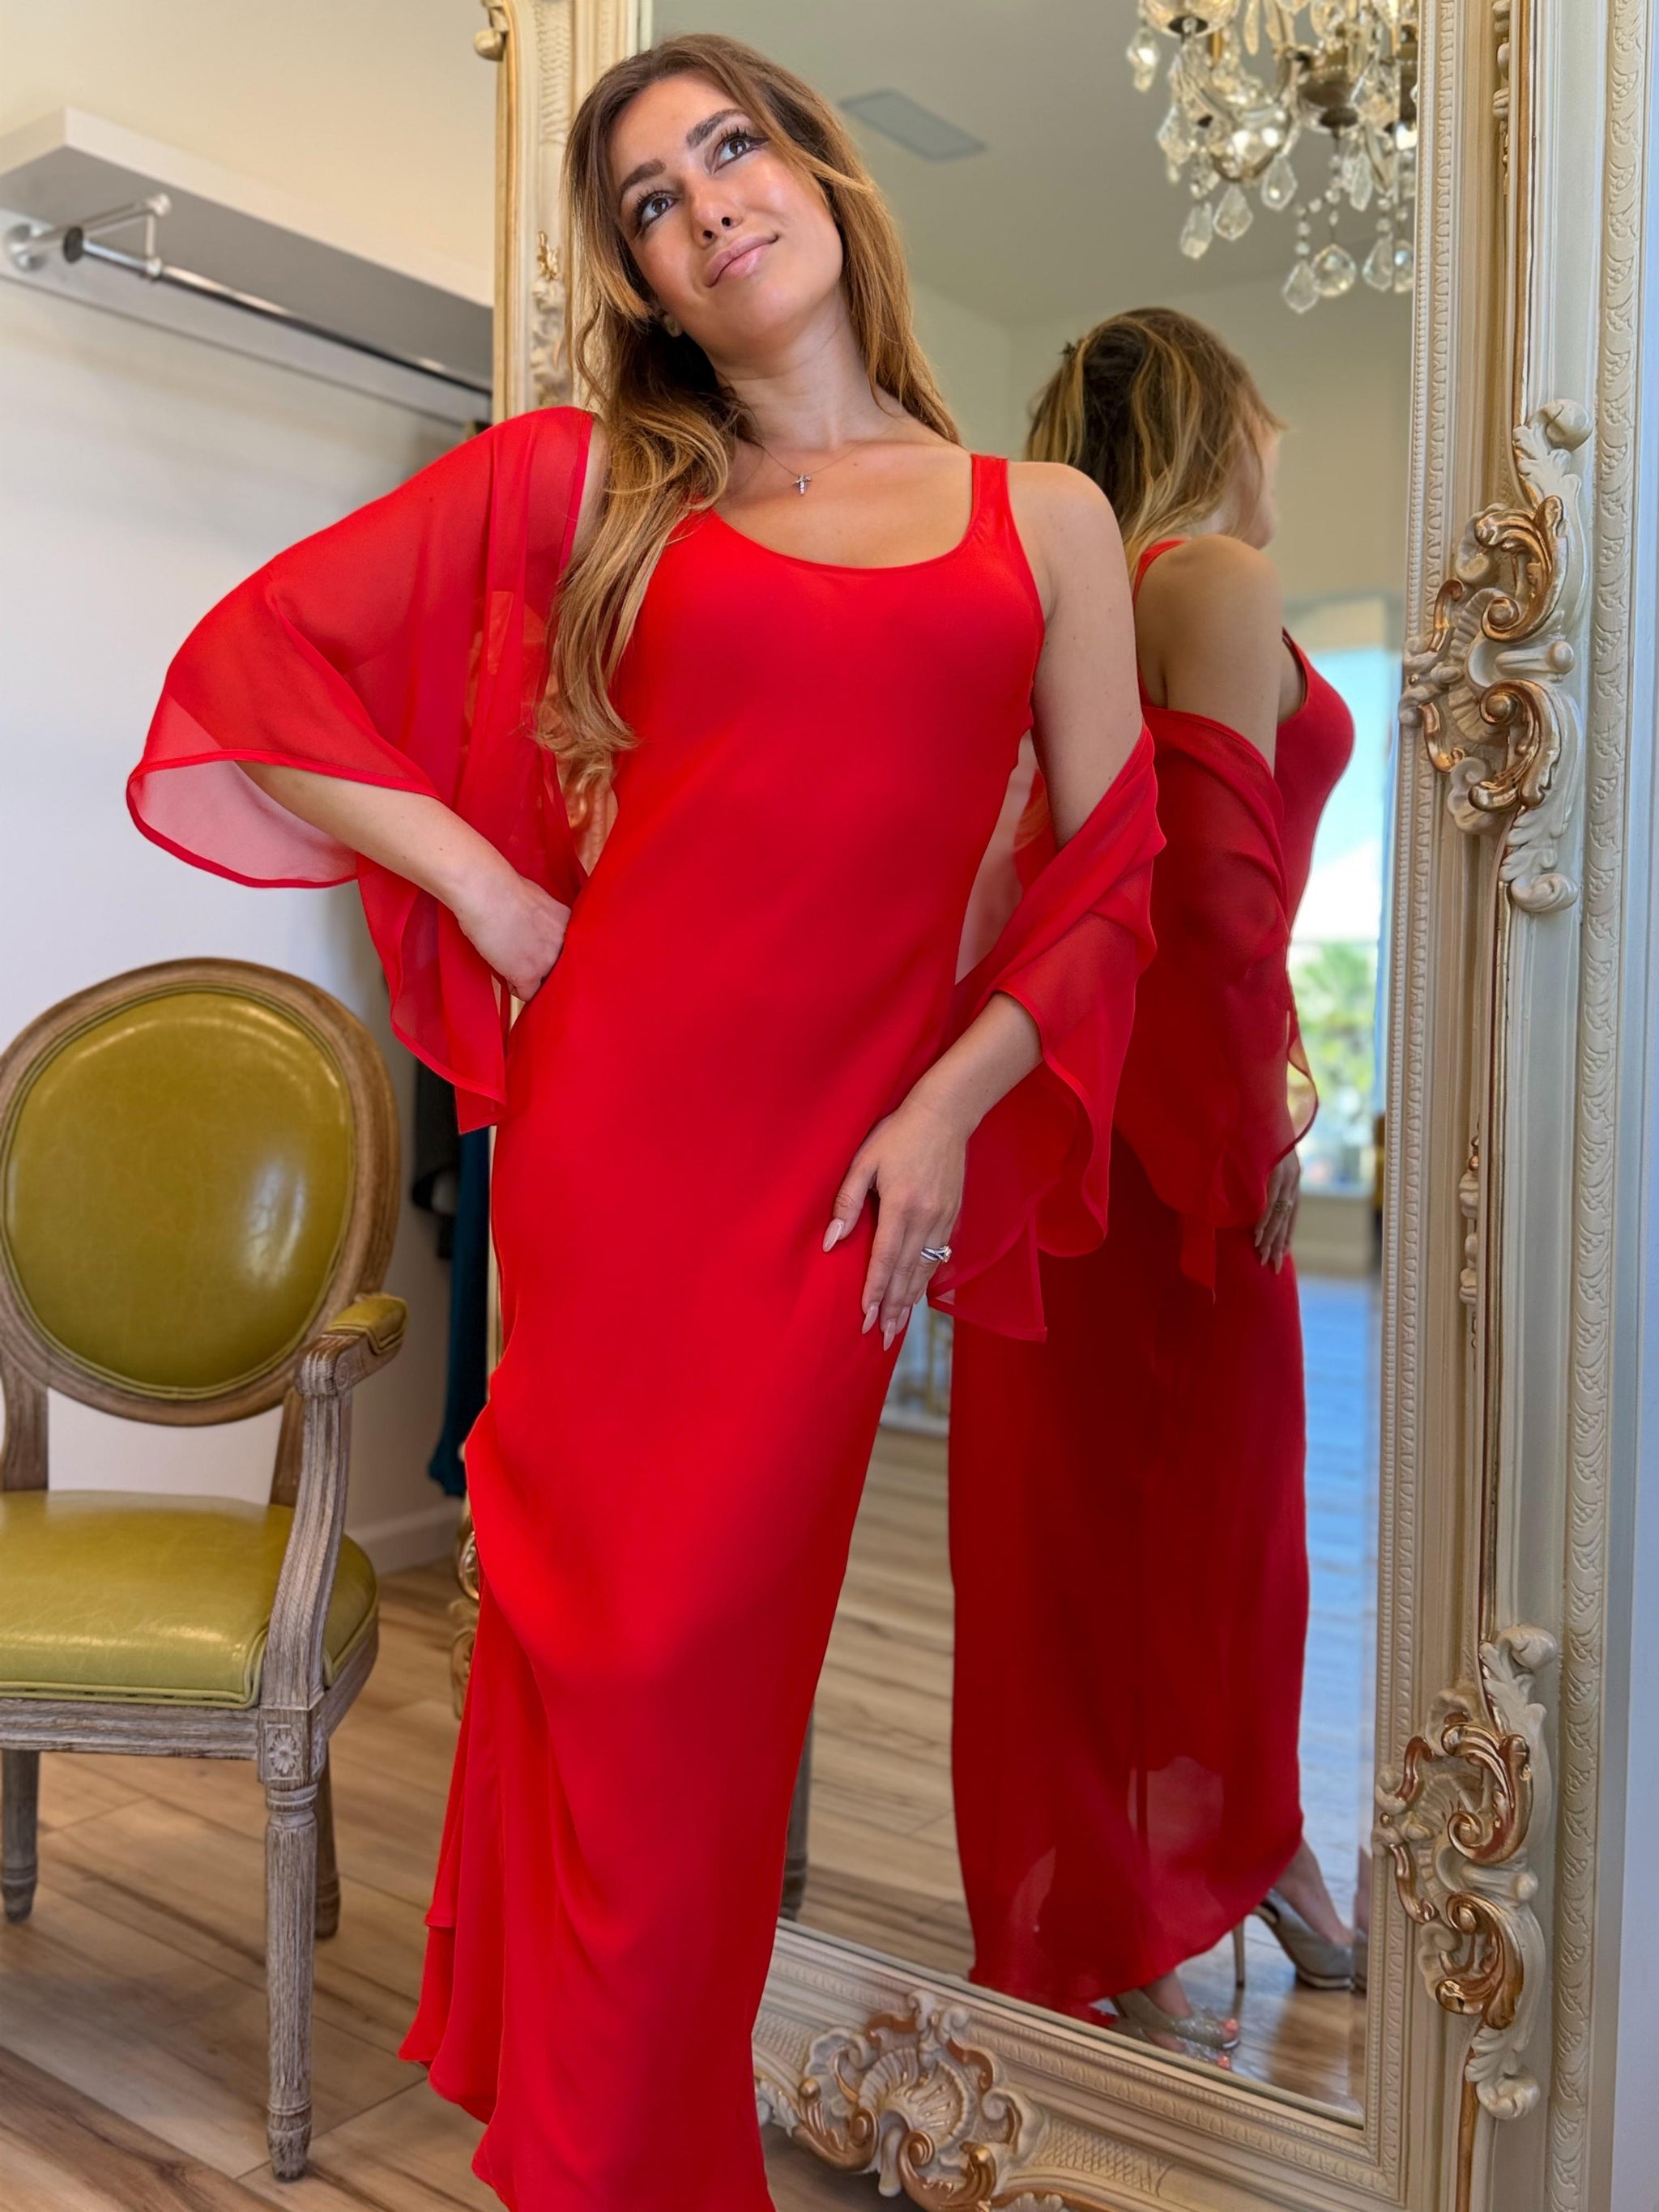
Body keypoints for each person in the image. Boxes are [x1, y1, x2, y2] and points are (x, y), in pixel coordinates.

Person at [126, 36, 1160, 2211]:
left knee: (700, 1672)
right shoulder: (600, 486)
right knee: (606, 1669)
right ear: (648, 283)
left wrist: (948, 1107)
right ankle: (627, 2163)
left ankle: (612, 2154)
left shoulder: (1043, 521)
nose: (707, 207)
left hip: (836, 1181)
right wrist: (502, 899)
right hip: (615, 1152)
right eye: (653, 203)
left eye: (731, 150)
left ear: (821, 177)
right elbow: (254, 667)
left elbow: (1110, 876)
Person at [947, 309, 1357, 2061]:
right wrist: (1254, 1115)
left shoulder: (1087, 601)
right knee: (1217, 1532)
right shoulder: (1214, 576)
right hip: (1164, 1128)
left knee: (1081, 1534)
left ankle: (1144, 1894)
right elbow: (1213, 890)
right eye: (1264, 423)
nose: (1276, 456)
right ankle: (1225, 1870)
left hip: (1072, 1107)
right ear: (1218, 420)